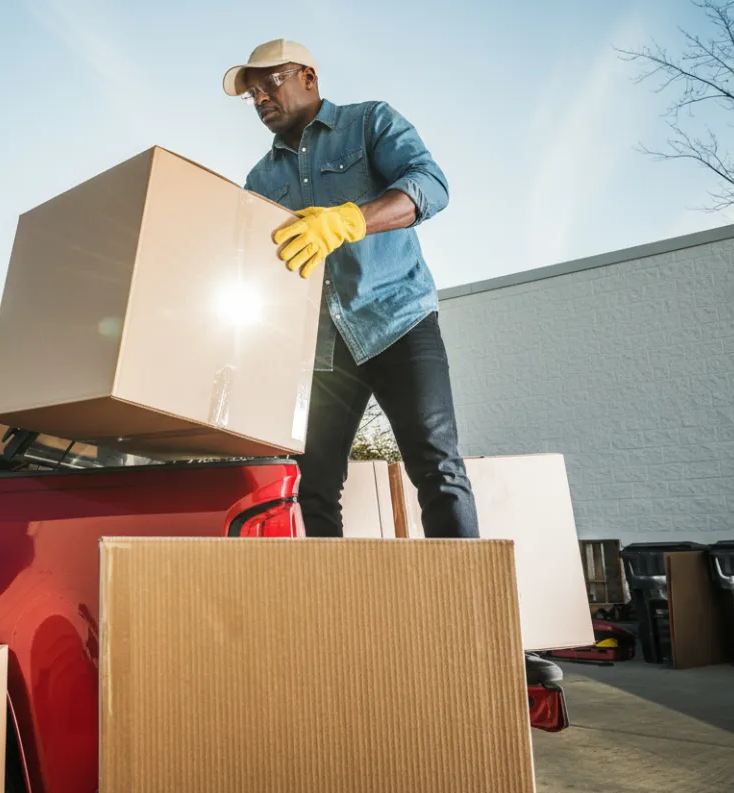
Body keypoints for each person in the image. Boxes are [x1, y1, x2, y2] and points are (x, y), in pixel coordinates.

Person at [223, 39, 562, 684]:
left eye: (270, 84)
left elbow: (429, 187)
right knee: (311, 489)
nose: (260, 100)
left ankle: (479, 636)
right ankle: (331, 639)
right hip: (319, 347)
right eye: (251, 95)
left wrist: (348, 219)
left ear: (308, 75)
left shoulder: (369, 122)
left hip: (398, 322)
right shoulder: (259, 180)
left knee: (437, 466)